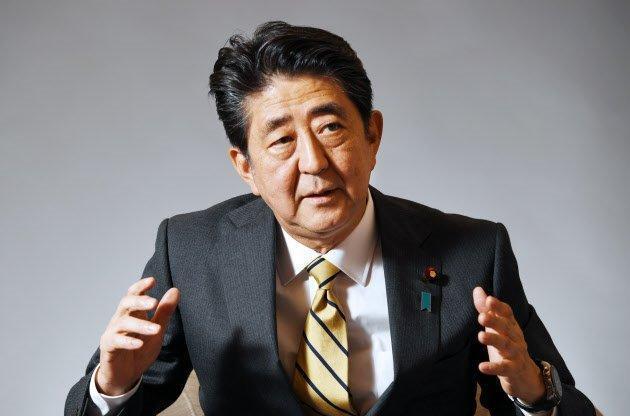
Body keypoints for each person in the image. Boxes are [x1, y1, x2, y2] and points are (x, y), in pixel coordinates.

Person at [65, 21, 596, 416]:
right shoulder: (190, 250)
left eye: (331, 129)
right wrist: (114, 387)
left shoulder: (473, 251)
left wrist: (532, 391)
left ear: (372, 136)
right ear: (245, 167)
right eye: (281, 140)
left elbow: (563, 402)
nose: (314, 163)